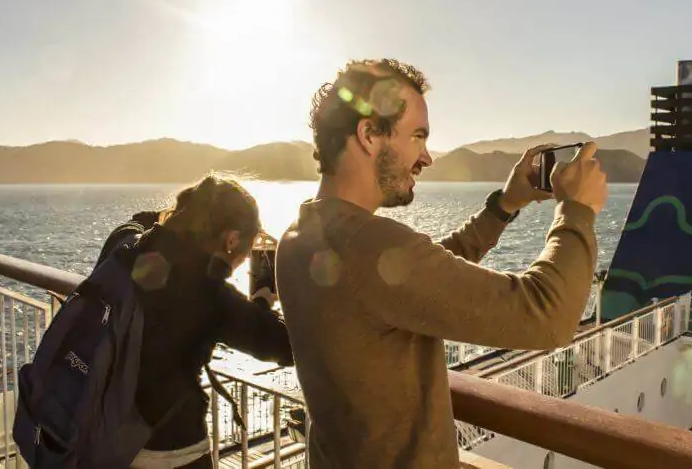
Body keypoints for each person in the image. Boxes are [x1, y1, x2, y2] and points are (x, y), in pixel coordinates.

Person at [276, 58, 608, 468]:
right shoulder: (367, 244)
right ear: (368, 135)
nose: (427, 157)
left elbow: (422, 276)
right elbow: (548, 315)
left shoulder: (300, 236)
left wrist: (504, 205)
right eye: (417, 136)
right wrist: (577, 211)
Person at [94, 174, 295, 468]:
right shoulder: (208, 291)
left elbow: (138, 220)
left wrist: (187, 213)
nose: (239, 262)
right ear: (231, 239)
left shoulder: (125, 245)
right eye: (244, 253)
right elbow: (282, 344)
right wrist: (270, 300)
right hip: (168, 450)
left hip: (104, 432)